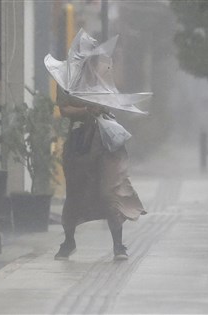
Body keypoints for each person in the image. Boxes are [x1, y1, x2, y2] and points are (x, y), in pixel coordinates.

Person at [54, 87, 146, 261]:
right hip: (80, 142)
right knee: (75, 192)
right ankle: (68, 241)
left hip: (107, 141)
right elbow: (64, 109)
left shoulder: (101, 76)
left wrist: (103, 107)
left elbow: (113, 102)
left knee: (110, 190)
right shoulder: (67, 80)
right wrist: (87, 110)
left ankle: (118, 245)